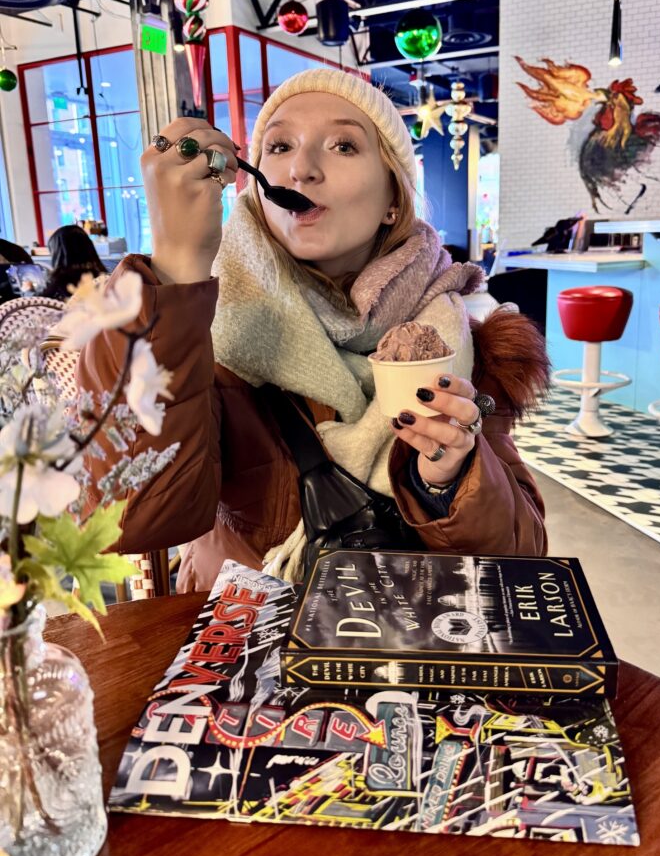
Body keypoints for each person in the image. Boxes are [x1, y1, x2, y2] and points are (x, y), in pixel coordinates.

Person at [77, 68, 549, 592]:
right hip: (241, 638)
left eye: (343, 145)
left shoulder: (453, 337)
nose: (300, 168)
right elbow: (132, 518)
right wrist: (174, 268)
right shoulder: (204, 326)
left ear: (394, 196)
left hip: (404, 635)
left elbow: (524, 551)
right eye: (279, 145)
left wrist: (452, 478)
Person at [41, 224, 108, 301]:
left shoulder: (59, 278)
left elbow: (39, 301)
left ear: (59, 253)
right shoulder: (100, 273)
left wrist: (28, 290)